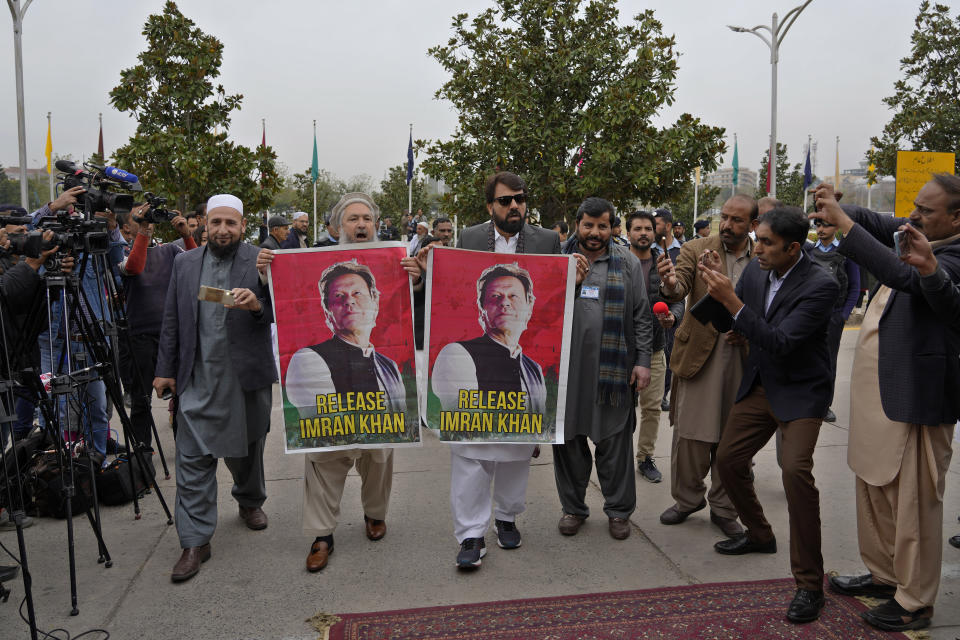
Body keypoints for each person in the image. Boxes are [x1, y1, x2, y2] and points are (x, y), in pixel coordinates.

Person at [813, 178, 960, 632]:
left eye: (925, 211)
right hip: (883, 393)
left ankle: (915, 599)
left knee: (913, 503)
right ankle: (885, 577)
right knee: (873, 487)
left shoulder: (950, 255)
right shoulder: (920, 230)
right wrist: (840, 206)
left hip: (918, 397)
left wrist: (843, 226)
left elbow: (908, 276)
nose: (913, 217)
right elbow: (876, 221)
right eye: (914, 208)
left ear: (956, 218)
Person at [259, 192, 421, 574]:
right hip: (332, 411)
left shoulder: (396, 263)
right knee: (324, 459)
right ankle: (322, 536)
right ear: (336, 228)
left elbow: (415, 300)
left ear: (375, 300)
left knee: (380, 456)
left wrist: (416, 278)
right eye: (352, 219)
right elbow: (280, 294)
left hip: (379, 399)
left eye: (366, 218)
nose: (361, 224)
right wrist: (267, 270)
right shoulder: (308, 262)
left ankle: (374, 514)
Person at [700, 206, 837, 623]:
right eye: (757, 239)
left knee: (796, 473)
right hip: (760, 382)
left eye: (767, 243)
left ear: (794, 247)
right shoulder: (759, 271)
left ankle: (810, 585)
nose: (757, 249)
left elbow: (781, 340)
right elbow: (754, 318)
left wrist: (733, 302)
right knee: (727, 459)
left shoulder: (821, 284)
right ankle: (759, 534)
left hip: (800, 392)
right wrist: (733, 320)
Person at [439, 171, 574, 570]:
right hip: (477, 350)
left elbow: (553, 297)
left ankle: (507, 517)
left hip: (526, 353)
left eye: (520, 198)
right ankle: (470, 535)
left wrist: (573, 278)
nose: (514, 206)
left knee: (517, 445)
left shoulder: (548, 241)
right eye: (505, 201)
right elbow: (451, 292)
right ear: (490, 207)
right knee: (471, 449)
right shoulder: (467, 240)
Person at [154, 194, 276, 583]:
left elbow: (286, 311)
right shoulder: (185, 263)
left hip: (243, 381)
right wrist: (164, 369)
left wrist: (257, 305)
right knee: (192, 462)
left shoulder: (262, 259)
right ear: (204, 224)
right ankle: (195, 541)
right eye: (216, 222)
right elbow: (172, 318)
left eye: (231, 223)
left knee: (247, 452)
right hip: (197, 380)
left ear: (243, 225)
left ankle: (249, 501)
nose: (223, 229)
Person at [656, 194, 760, 539]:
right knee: (689, 435)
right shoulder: (697, 248)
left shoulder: (762, 256)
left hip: (744, 360)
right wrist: (670, 284)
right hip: (700, 355)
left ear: (753, 226)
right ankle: (687, 500)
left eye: (737, 220)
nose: (728, 226)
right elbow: (680, 284)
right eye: (724, 218)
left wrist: (751, 332)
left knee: (734, 441)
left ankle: (724, 508)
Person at [554, 198, 652, 541]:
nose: (595, 233)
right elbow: (543, 308)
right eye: (588, 225)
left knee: (615, 442)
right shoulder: (558, 260)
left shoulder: (625, 262)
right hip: (568, 371)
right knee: (567, 442)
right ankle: (573, 508)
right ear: (577, 224)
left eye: (603, 226)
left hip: (613, 370)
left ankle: (619, 511)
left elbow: (641, 315)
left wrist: (642, 362)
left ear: (613, 228)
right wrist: (572, 280)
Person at [118, 204, 196, 451]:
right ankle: (142, 453)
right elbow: (134, 267)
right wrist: (143, 230)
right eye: (137, 218)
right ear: (126, 227)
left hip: (173, 336)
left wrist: (186, 234)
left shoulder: (170, 250)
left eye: (149, 218)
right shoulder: (121, 253)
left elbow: (198, 267)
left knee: (182, 398)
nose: (147, 221)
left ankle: (185, 449)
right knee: (142, 400)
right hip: (141, 338)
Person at [285, 260, 406, 416]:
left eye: (357, 293)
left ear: (374, 302)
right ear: (328, 310)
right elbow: (323, 428)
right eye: (338, 295)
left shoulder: (390, 367)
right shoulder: (309, 359)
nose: (349, 301)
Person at [432, 262, 547, 418]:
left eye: (514, 296)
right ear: (482, 309)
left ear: (529, 308)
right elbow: (462, 421)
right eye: (495, 296)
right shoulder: (457, 354)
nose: (505, 302)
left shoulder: (534, 369)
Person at [625, 210, 684, 483]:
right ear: (628, 234)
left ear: (655, 232)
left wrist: (674, 317)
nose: (643, 233)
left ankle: (645, 457)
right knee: (621, 409)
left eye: (648, 228)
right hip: (622, 350)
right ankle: (619, 456)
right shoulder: (619, 263)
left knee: (651, 409)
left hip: (657, 349)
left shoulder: (665, 264)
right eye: (637, 228)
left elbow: (678, 298)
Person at [808, 216, 860, 423]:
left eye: (825, 225)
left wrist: (843, 316)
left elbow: (854, 287)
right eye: (818, 225)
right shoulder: (809, 252)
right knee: (807, 359)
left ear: (836, 227)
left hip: (833, 317)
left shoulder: (846, 254)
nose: (820, 229)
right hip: (810, 316)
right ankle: (808, 401)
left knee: (829, 362)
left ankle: (824, 405)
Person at [652, 208, 681, 411]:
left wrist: (676, 315)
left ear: (668, 226)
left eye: (657, 224)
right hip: (649, 310)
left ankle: (662, 394)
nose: (652, 228)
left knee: (669, 354)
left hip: (672, 312)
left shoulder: (684, 251)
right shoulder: (648, 250)